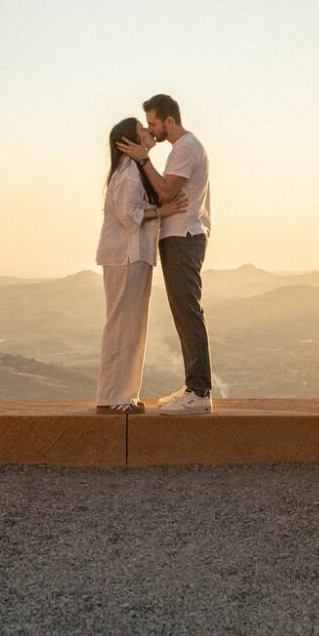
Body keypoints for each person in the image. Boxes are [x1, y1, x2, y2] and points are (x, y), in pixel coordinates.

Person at [116, 93, 214, 415]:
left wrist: (144, 159)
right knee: (182, 311)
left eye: (154, 123)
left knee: (188, 311)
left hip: (184, 237)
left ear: (169, 121)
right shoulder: (181, 149)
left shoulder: (185, 147)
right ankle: (193, 387)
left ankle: (199, 393)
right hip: (178, 237)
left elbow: (167, 191)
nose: (150, 129)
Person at [95, 117, 183, 413]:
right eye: (142, 130)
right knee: (124, 326)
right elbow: (128, 216)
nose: (148, 132)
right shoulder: (128, 173)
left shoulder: (132, 171)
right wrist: (163, 211)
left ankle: (119, 395)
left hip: (132, 257)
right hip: (126, 257)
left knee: (130, 326)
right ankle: (117, 398)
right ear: (130, 142)